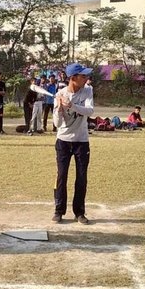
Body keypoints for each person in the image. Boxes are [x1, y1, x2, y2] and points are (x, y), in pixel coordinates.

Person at [52, 63, 94, 225]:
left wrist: (72, 105)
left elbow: (90, 111)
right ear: (73, 78)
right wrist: (59, 109)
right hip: (63, 141)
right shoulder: (60, 94)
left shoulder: (88, 90)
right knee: (61, 176)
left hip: (82, 141)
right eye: (83, 76)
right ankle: (58, 210)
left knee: (82, 177)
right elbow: (57, 123)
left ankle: (79, 212)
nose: (86, 78)